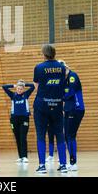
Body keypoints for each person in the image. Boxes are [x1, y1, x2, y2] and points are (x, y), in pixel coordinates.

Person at [33, 44, 67, 174]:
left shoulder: (39, 67)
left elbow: (37, 86)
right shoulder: (62, 68)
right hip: (57, 104)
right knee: (59, 135)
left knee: (41, 135)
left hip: (42, 106)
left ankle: (42, 166)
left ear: (44, 54)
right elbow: (62, 84)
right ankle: (63, 165)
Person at [2, 80, 35, 164]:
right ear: (16, 89)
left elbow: (34, 86)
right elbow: (4, 87)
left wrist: (24, 84)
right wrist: (14, 85)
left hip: (24, 119)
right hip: (14, 119)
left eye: (21, 89)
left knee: (23, 137)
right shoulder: (13, 95)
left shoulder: (26, 94)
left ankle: (24, 157)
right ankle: (20, 157)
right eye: (18, 89)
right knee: (17, 138)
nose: (19, 90)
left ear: (23, 89)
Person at [60, 61, 85, 171]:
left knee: (70, 135)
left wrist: (60, 98)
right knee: (66, 136)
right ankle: (71, 160)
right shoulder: (63, 79)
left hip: (76, 109)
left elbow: (71, 92)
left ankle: (73, 162)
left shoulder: (72, 76)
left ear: (66, 67)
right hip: (68, 109)